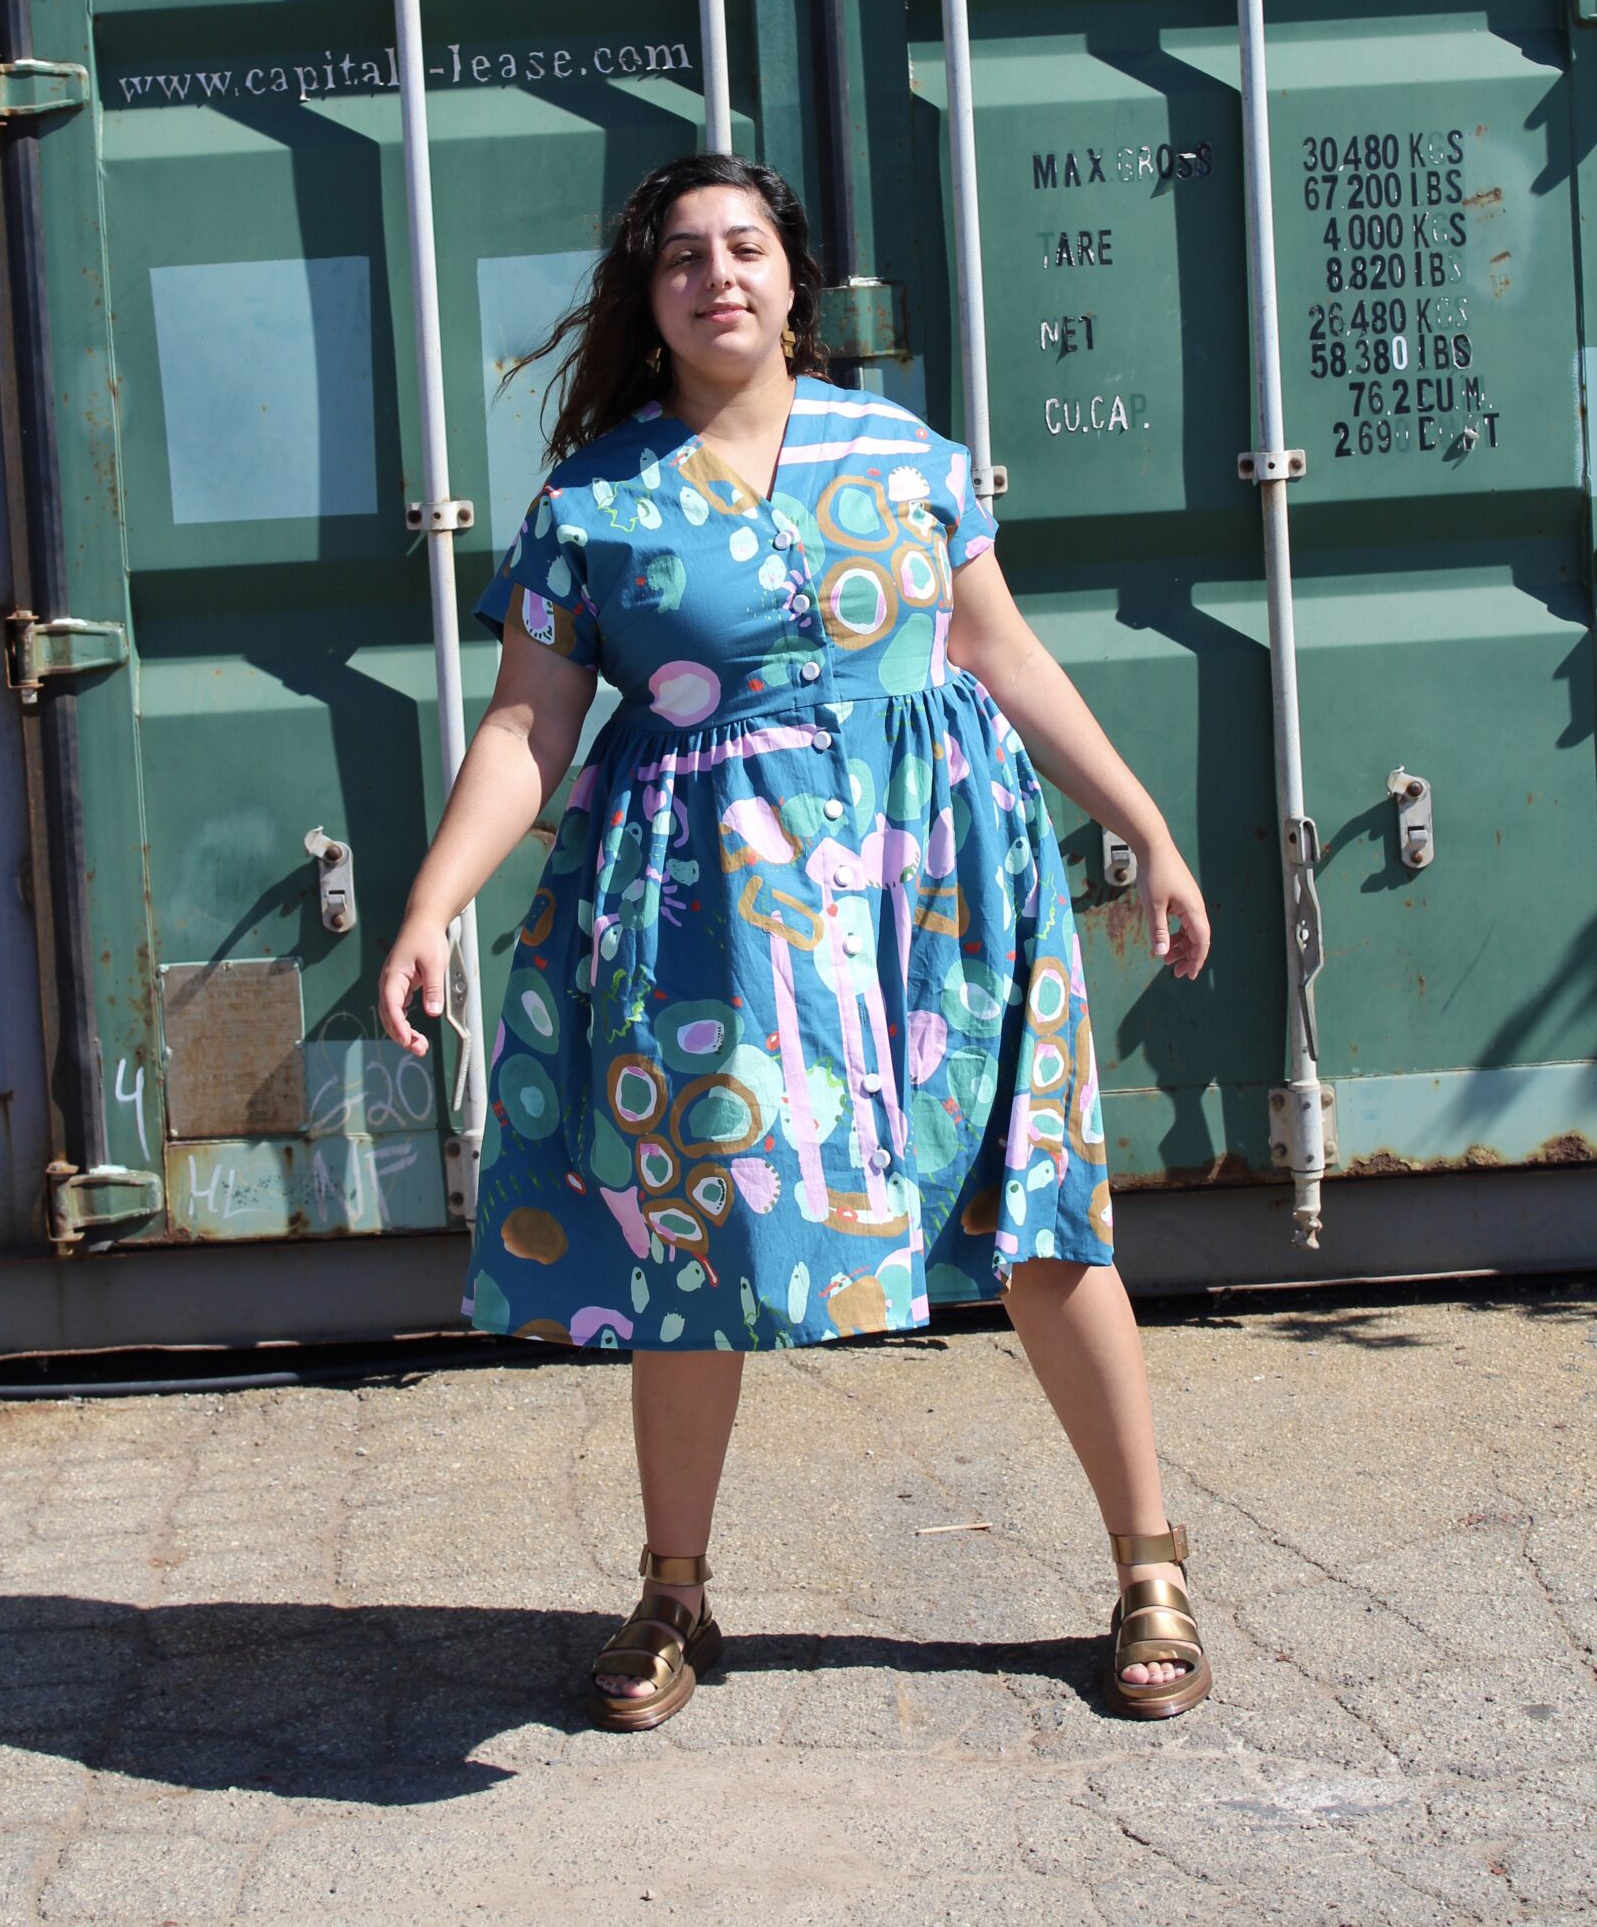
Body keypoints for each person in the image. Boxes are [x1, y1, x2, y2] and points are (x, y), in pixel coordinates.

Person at [380, 152, 1214, 1732]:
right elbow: (524, 727)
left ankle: (1150, 1564)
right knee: (696, 1248)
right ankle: (676, 1587)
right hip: (719, 929)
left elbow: (1000, 650)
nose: (718, 277)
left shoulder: (903, 457)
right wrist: (433, 901)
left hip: (937, 901)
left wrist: (1146, 827)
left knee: (1036, 1213)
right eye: (682, 257)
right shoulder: (595, 502)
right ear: (652, 298)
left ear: (794, 278)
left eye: (745, 247)